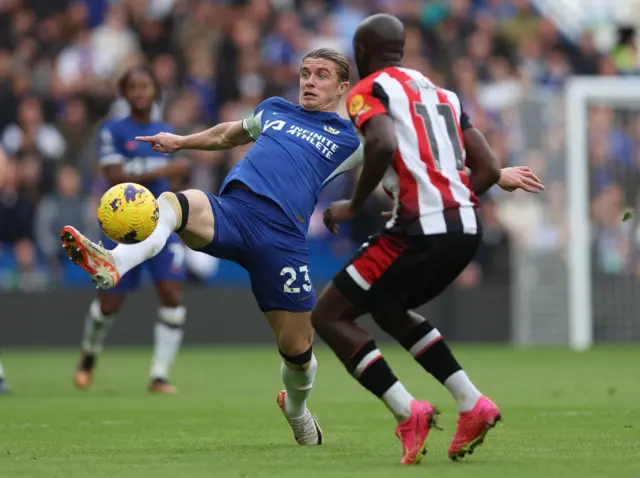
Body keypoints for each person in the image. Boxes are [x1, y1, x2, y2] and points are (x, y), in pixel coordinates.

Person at [61, 48, 365, 445]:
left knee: (298, 350)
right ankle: (115, 262)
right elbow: (227, 134)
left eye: (321, 75)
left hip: (282, 240)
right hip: (234, 211)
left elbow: (391, 153)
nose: (310, 81)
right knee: (175, 203)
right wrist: (180, 141)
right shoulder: (275, 110)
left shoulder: (349, 138)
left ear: (342, 87)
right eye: (306, 73)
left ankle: (297, 410)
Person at [311, 14, 544, 465]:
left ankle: (407, 411)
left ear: (361, 54)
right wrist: (444, 199)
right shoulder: (443, 93)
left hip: (418, 229)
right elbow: (490, 170)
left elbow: (379, 143)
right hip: (466, 226)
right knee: (388, 307)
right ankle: (471, 402)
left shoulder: (369, 90)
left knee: (328, 316)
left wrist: (354, 205)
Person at [71, 66, 189, 394]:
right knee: (110, 303)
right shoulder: (112, 130)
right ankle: (89, 356)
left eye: (145, 86)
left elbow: (175, 179)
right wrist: (167, 168)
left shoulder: (165, 129)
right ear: (124, 93)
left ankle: (159, 375)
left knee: (171, 294)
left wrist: (176, 176)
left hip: (162, 224)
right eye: (133, 87)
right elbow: (113, 175)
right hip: (124, 226)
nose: (140, 92)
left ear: (154, 91)